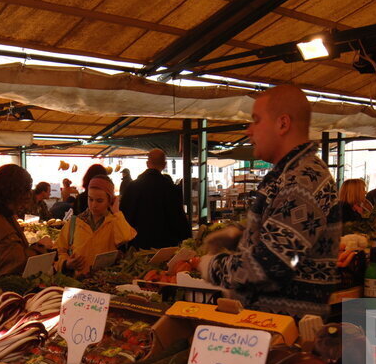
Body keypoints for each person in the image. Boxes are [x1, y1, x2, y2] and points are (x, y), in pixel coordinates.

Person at [198, 84, 340, 318]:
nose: (249, 131)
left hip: (282, 330)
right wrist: (241, 235)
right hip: (269, 325)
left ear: (282, 124)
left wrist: (212, 266)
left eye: (256, 120)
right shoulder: (289, 173)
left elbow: (273, 265)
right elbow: (285, 241)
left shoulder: (302, 179)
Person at [56, 175, 136, 276]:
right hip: (76, 284)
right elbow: (61, 251)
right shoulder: (74, 222)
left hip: (103, 284)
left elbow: (126, 237)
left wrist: (116, 212)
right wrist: (66, 263)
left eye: (99, 201)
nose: (93, 205)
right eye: (90, 199)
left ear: (110, 201)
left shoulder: (115, 222)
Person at [119, 148, 192, 249]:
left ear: (147, 163)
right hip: (165, 246)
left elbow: (124, 217)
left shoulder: (133, 186)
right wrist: (187, 239)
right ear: (164, 165)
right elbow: (178, 217)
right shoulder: (170, 188)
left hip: (138, 245)